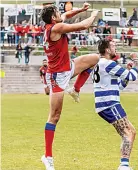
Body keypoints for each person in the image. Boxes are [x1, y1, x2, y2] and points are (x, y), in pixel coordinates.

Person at [40, 4, 100, 170]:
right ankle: (48, 157)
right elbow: (84, 25)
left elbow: (67, 14)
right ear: (53, 17)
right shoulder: (57, 27)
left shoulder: (53, 24)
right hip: (57, 76)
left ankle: (75, 89)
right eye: (58, 12)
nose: (61, 14)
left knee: (95, 58)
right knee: (55, 116)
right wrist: (93, 14)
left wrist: (81, 9)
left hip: (68, 67)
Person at [93, 39, 138, 170]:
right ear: (107, 50)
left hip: (106, 104)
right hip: (109, 103)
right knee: (128, 133)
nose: (115, 48)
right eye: (113, 46)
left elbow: (119, 86)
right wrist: (135, 62)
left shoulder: (101, 64)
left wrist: (127, 74)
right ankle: (123, 166)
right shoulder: (108, 64)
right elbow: (133, 76)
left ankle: (124, 164)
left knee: (131, 132)